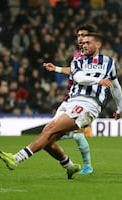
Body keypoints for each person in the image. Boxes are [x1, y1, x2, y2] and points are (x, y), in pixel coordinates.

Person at [0, 32, 122, 179]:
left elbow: (115, 86)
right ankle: (69, 166)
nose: (84, 45)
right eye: (83, 43)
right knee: (48, 139)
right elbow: (77, 77)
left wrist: (120, 108)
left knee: (50, 129)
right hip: (70, 102)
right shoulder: (78, 61)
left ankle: (16, 159)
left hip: (89, 104)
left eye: (88, 42)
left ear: (98, 44)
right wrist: (98, 81)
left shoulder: (109, 62)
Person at [42, 24, 97, 174]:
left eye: (84, 35)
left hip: (84, 101)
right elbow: (73, 71)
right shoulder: (77, 54)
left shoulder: (94, 57)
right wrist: (57, 69)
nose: (81, 39)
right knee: (49, 133)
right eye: (79, 36)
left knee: (78, 135)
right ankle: (69, 164)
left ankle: (87, 166)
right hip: (69, 99)